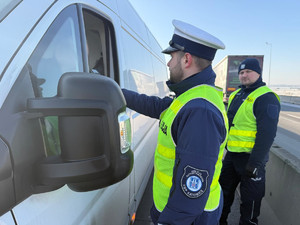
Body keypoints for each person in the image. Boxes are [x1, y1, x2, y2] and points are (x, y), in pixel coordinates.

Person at [122, 20, 228, 225]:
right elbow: (156, 106)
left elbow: (192, 190)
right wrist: (117, 92)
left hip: (190, 218)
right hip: (178, 211)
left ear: (186, 59)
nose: (169, 64)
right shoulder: (191, 97)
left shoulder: (200, 111)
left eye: (171, 57)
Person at [219, 58, 281, 225]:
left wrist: (254, 163)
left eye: (248, 72)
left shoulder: (266, 97)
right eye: (241, 72)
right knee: (222, 195)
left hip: (252, 160)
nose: (244, 75)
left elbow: (267, 134)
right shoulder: (236, 95)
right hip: (232, 157)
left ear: (258, 73)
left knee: (250, 203)